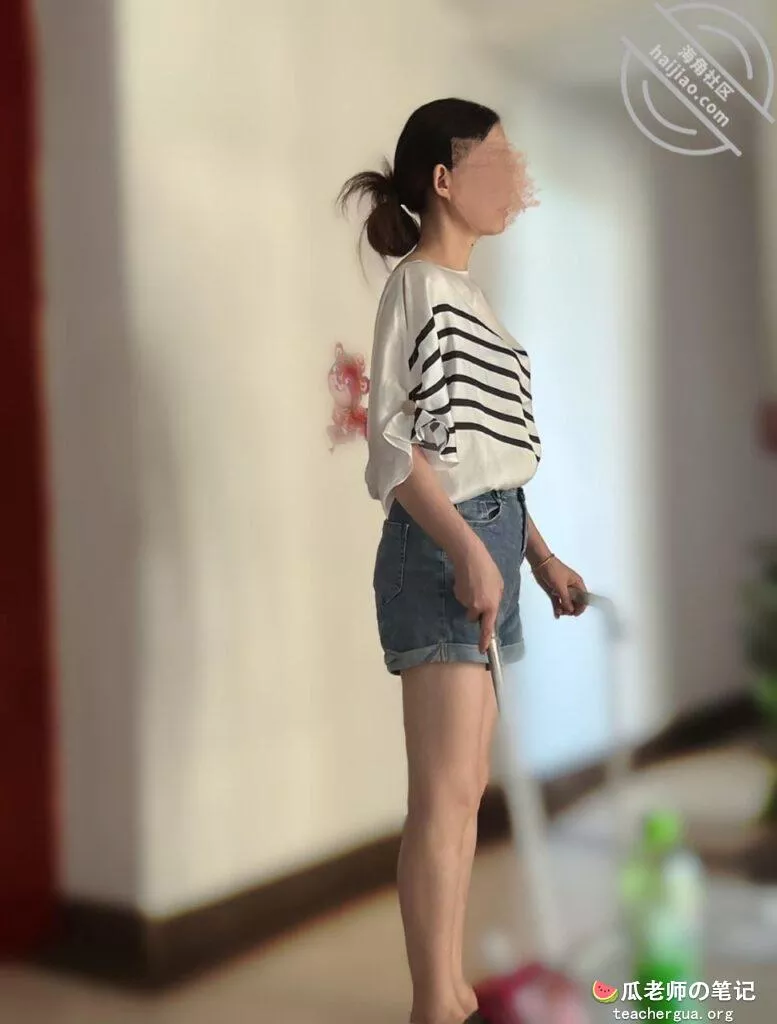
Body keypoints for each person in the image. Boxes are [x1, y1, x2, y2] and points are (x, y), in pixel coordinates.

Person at [336, 98, 587, 1024]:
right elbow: (393, 451)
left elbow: (484, 457)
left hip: (491, 540)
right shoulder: (415, 289)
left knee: (465, 792)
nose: (515, 179)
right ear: (444, 180)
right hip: (443, 548)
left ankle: (449, 989)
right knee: (443, 798)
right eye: (497, 160)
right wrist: (466, 551)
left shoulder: (473, 300)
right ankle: (432, 1005)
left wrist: (539, 557)